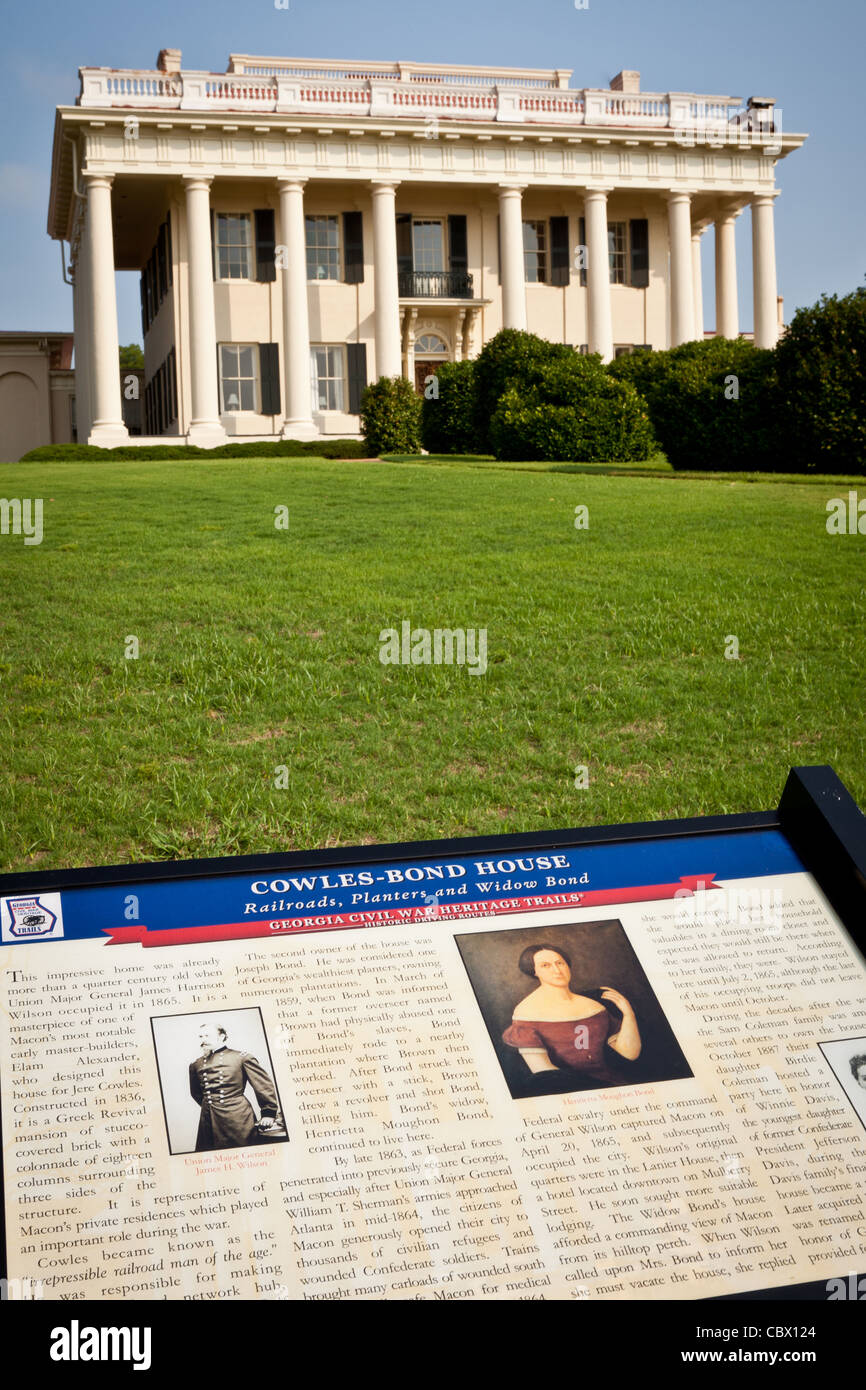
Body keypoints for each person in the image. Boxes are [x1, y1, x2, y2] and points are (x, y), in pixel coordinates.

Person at [502, 943, 641, 1087]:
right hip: (567, 1089)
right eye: (545, 965)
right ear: (534, 971)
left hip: (612, 1083)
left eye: (560, 963)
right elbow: (545, 1073)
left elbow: (629, 1053)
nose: (557, 970)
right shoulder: (527, 1011)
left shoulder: (593, 1006)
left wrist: (628, 1014)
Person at [189, 1021, 280, 1152]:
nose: (203, 1040)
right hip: (208, 1118)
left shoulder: (242, 1057)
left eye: (207, 1036)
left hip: (237, 1117)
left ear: (221, 1036)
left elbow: (263, 1086)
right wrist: (211, 1105)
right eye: (201, 1037)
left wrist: (268, 1113)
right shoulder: (196, 1064)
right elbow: (196, 1093)